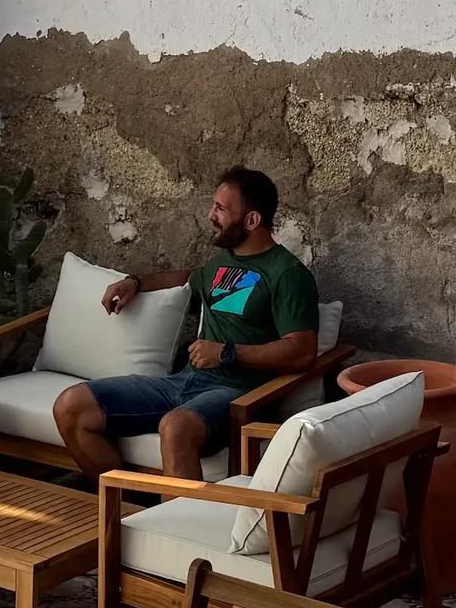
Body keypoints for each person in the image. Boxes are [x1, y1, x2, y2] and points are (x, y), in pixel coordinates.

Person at [51, 166, 320, 485]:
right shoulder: (222, 262)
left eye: (221, 208)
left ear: (251, 220)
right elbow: (185, 279)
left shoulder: (287, 274)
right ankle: (128, 508)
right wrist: (134, 282)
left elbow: (301, 350)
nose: (211, 215)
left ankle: (175, 529)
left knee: (175, 427)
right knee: (71, 406)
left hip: (238, 395)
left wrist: (227, 354)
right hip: (185, 382)